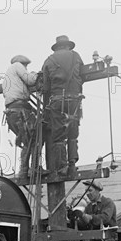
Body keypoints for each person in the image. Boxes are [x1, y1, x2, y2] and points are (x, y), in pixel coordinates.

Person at [42, 35, 84, 176]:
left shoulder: (49, 60)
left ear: (57, 47)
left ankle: (62, 166)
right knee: (72, 131)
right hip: (74, 99)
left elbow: (46, 87)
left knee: (58, 135)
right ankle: (72, 164)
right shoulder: (76, 56)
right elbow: (82, 76)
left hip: (57, 100)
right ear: (68, 46)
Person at [2, 55, 38, 177]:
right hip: (20, 110)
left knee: (26, 140)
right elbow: (30, 80)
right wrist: (36, 74)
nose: (26, 68)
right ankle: (32, 170)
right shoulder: (17, 66)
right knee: (35, 138)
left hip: (12, 112)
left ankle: (24, 170)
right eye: (26, 66)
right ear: (23, 64)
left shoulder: (9, 75)